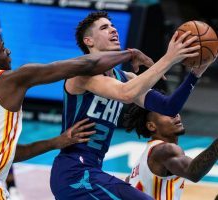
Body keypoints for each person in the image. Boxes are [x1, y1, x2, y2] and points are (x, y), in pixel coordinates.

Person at [0, 25, 153, 199]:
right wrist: (130, 54)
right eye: (1, 49)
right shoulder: (7, 80)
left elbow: (7, 154)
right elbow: (85, 64)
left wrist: (56, 142)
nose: (8, 51)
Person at [49, 11, 213, 200]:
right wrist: (170, 57)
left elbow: (168, 107)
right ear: (89, 41)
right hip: (73, 171)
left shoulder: (125, 78)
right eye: (104, 28)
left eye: (113, 26)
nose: (113, 30)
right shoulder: (82, 75)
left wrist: (196, 73)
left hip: (92, 170)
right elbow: (126, 93)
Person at [123, 103, 218, 200]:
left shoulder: (141, 160)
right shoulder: (167, 150)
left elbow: (127, 184)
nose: (174, 114)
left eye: (173, 109)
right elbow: (193, 173)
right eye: (166, 113)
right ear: (151, 126)